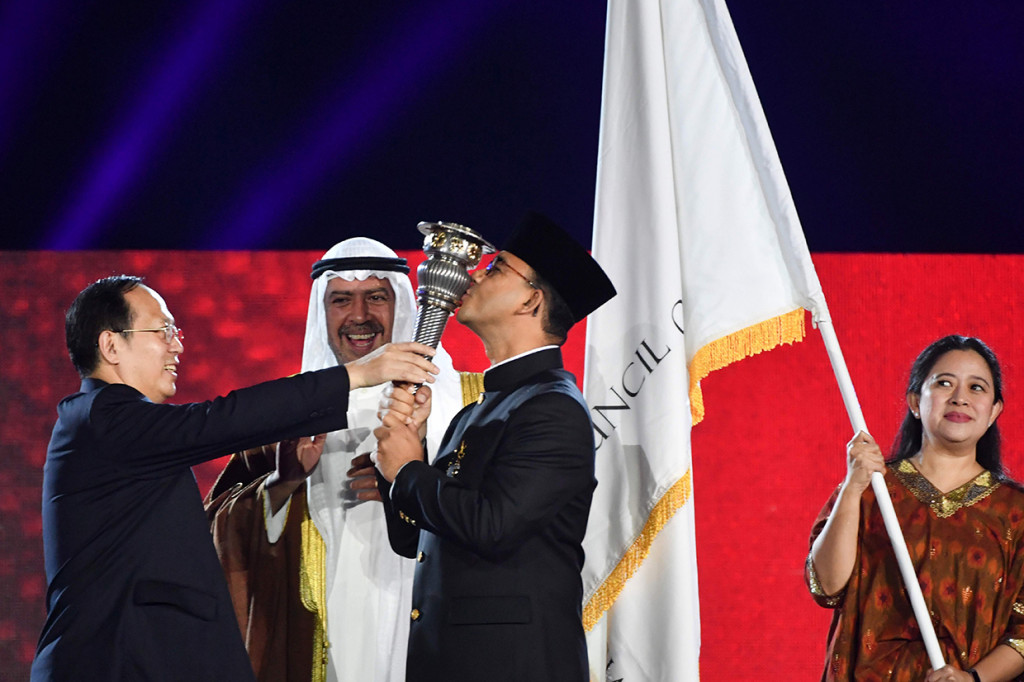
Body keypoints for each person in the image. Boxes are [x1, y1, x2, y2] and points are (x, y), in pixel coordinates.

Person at [32, 275, 437, 682]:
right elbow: (223, 419)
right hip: (115, 662)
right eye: (163, 331)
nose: (177, 344)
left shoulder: (116, 427)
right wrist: (357, 375)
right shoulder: (102, 418)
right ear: (111, 345)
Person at [204, 238, 473, 682]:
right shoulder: (286, 409)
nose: (360, 316)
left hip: (441, 625)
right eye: (342, 300)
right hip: (324, 638)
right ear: (321, 311)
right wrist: (283, 485)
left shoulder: (470, 400)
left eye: (377, 297)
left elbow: (502, 512)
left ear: (402, 305)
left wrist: (412, 476)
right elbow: (218, 526)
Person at [374, 211, 616, 682]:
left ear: (531, 300)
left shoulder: (553, 408)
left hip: (512, 665)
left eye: (496, 268)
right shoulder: (479, 410)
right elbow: (413, 541)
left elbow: (494, 526)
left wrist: (407, 472)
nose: (475, 274)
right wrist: (409, 451)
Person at [806, 335, 1024, 682]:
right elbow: (827, 586)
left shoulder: (1016, 511)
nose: (960, 398)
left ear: (995, 410)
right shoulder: (872, 487)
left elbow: (1023, 632)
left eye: (977, 388)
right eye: (944, 383)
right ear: (915, 401)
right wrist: (853, 488)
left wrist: (972, 679)